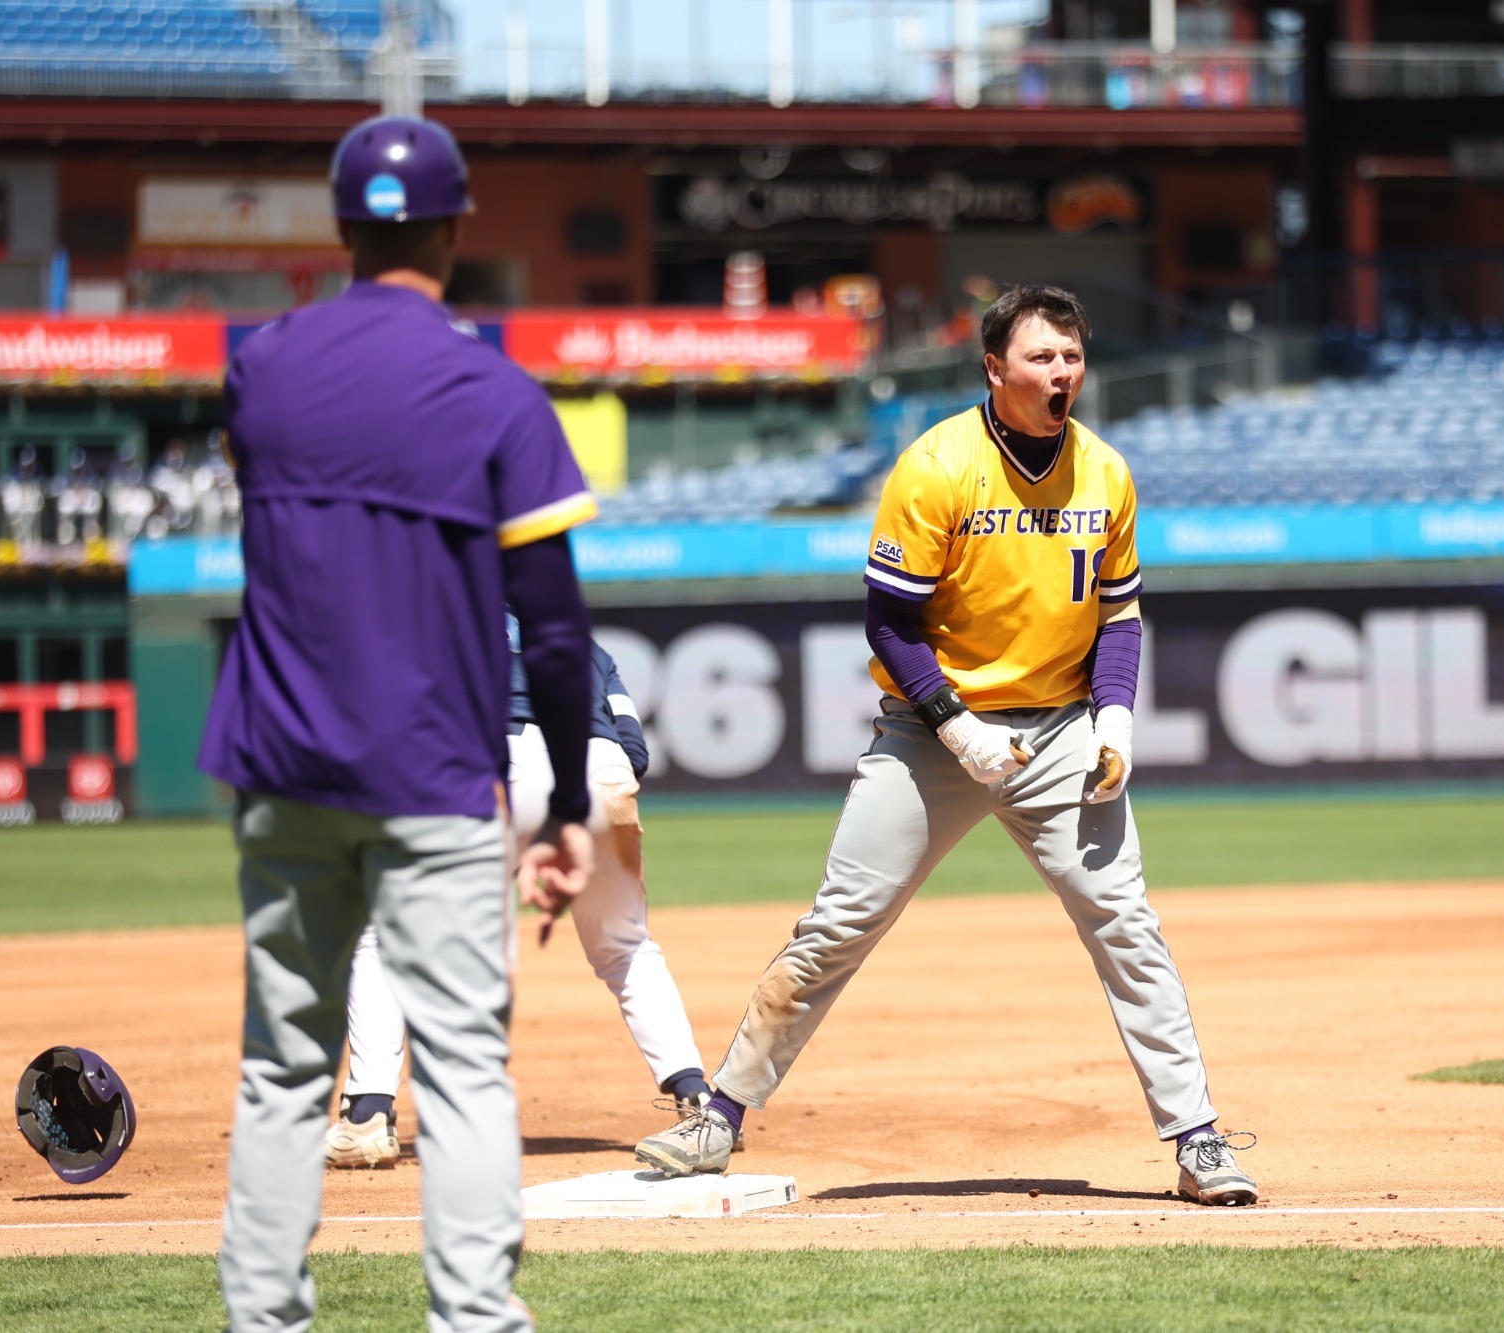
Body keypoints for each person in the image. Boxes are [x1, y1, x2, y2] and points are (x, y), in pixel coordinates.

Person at [634, 285, 1259, 1207]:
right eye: (1043, 357)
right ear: (994, 368)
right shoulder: (937, 466)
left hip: (1058, 734)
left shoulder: (1106, 471)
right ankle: (718, 1117)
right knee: (841, 923)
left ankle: (1198, 1140)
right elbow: (889, 623)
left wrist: (1114, 716)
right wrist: (953, 722)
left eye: (1073, 357)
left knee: (1128, 928)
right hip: (935, 734)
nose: (1062, 373)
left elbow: (1118, 614)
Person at [202, 114, 600, 1332]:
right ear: (455, 223)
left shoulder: (259, 364)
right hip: (428, 768)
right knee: (465, 1067)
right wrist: (568, 802)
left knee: (283, 1067)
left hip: (279, 759)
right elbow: (555, 633)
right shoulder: (492, 389)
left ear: (339, 223)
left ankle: (262, 1318)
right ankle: (474, 1320)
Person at [323, 624, 719, 1169]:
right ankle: (698, 1099)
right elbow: (636, 752)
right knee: (627, 947)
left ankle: (368, 1113)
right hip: (600, 774)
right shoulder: (585, 642)